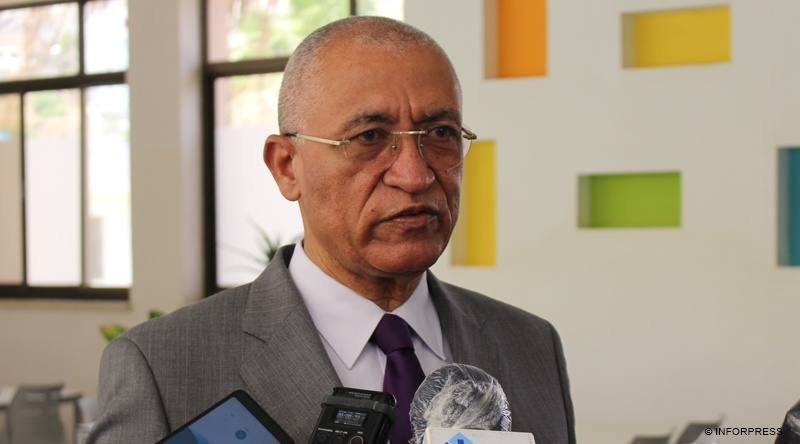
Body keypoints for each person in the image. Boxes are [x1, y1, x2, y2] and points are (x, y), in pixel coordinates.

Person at [88, 16, 575, 444]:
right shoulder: (163, 368)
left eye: (441, 134)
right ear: (286, 166)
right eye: (369, 137)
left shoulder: (531, 346)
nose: (415, 175)